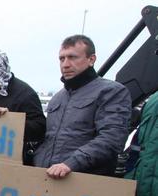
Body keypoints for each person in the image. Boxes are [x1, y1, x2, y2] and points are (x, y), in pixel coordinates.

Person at [34, 35, 131, 178]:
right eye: (62, 59)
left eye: (72, 57)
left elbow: (112, 138)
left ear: (91, 59)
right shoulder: (57, 98)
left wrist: (70, 164)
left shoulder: (111, 91)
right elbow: (46, 138)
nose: (65, 64)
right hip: (47, 179)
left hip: (84, 183)